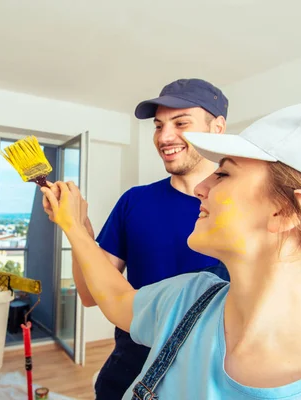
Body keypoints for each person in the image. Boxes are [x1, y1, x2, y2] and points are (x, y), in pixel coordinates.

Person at [42, 102, 301, 399]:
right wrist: (74, 227)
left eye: (224, 175)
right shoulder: (190, 297)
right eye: (159, 125)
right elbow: (114, 297)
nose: (202, 187)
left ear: (286, 210)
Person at [64, 78, 231, 399]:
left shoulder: (240, 206)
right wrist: (78, 228)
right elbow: (90, 294)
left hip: (208, 372)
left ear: (217, 127)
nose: (165, 137)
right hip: (130, 364)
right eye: (158, 126)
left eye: (181, 123)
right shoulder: (134, 201)